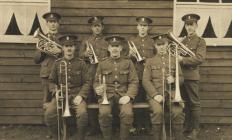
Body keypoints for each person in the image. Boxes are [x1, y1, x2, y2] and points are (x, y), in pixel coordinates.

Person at [45, 35, 90, 140]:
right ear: (62, 48)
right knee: (49, 114)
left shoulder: (81, 63)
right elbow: (51, 81)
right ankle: (58, 135)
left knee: (82, 114)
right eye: (66, 46)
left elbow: (87, 82)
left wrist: (81, 95)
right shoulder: (57, 63)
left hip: (76, 95)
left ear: (74, 48)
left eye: (71, 46)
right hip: (61, 95)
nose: (69, 48)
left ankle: (80, 137)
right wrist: (55, 92)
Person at [93, 35, 139, 140]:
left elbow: (134, 81)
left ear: (121, 48)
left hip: (123, 94)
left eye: (117, 46)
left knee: (127, 114)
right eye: (112, 46)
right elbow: (96, 81)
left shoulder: (128, 62)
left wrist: (129, 96)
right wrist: (97, 89)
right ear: (108, 48)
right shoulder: (102, 63)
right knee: (104, 114)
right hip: (107, 95)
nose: (114, 48)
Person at [142, 33, 185, 140]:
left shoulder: (174, 59)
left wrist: (174, 80)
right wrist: (155, 95)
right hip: (156, 95)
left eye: (163, 44)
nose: (161, 47)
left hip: (172, 94)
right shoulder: (150, 61)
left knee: (177, 112)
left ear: (167, 44)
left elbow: (181, 78)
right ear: (155, 46)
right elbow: (146, 81)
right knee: (157, 112)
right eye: (158, 44)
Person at [79, 16, 108, 136]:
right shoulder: (86, 41)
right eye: (95, 26)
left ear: (102, 27)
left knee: (102, 99)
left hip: (103, 73)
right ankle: (93, 126)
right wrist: (85, 54)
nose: (97, 28)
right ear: (91, 28)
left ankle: (104, 126)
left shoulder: (107, 41)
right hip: (90, 73)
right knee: (90, 100)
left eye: (99, 26)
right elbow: (79, 57)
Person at [179, 13, 206, 140]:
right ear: (185, 26)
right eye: (187, 25)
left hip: (192, 76)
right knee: (185, 102)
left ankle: (195, 129)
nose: (189, 27)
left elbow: (200, 59)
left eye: (191, 25)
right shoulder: (182, 41)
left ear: (196, 26)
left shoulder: (200, 41)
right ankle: (187, 126)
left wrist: (182, 59)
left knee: (194, 103)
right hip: (181, 76)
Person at [128, 16, 155, 134]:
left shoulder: (153, 41)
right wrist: (130, 55)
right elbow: (128, 61)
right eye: (141, 26)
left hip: (150, 76)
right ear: (137, 27)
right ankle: (138, 125)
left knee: (149, 100)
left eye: (145, 26)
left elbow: (156, 58)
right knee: (138, 100)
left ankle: (148, 125)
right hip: (137, 75)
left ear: (148, 28)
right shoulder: (132, 41)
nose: (143, 28)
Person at [34, 12, 61, 106]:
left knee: (61, 100)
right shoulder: (42, 39)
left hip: (60, 73)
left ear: (58, 23)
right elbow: (36, 60)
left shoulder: (62, 39)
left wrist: (60, 51)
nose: (53, 24)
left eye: (55, 22)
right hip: (46, 74)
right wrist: (43, 51)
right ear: (46, 24)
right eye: (50, 22)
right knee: (46, 101)